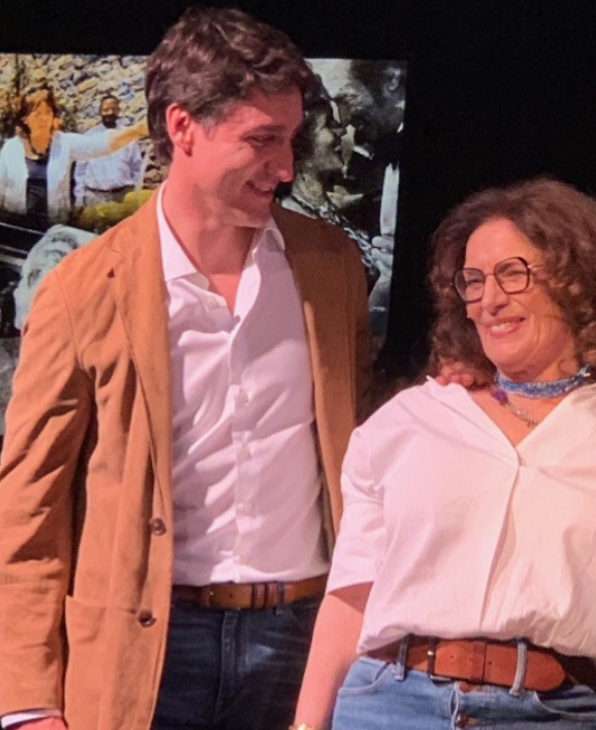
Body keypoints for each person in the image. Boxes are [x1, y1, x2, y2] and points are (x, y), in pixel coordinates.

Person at [0, 7, 372, 730]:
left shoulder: (331, 269)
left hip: (300, 638)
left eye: (290, 141)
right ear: (182, 127)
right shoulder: (84, 289)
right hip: (148, 641)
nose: (287, 168)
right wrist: (27, 699)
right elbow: (28, 507)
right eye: (262, 141)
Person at [291, 178, 596, 730]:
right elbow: (351, 599)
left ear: (578, 281)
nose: (489, 300)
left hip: (550, 713)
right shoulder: (412, 420)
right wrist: (306, 725)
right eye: (474, 281)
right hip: (391, 704)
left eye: (513, 274)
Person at [0, 85, 146, 224]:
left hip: (53, 229)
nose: (44, 118)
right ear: (25, 119)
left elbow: (100, 144)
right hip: (17, 228)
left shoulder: (64, 143)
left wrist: (138, 130)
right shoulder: (11, 149)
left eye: (48, 113)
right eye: (37, 114)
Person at [73, 93, 147, 209]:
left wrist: (135, 195)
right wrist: (79, 198)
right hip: (94, 198)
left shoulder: (128, 136)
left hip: (122, 197)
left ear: (118, 111)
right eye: (105, 110)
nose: (109, 113)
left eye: (113, 109)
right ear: (99, 112)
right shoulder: (89, 137)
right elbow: (80, 171)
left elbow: (136, 168)